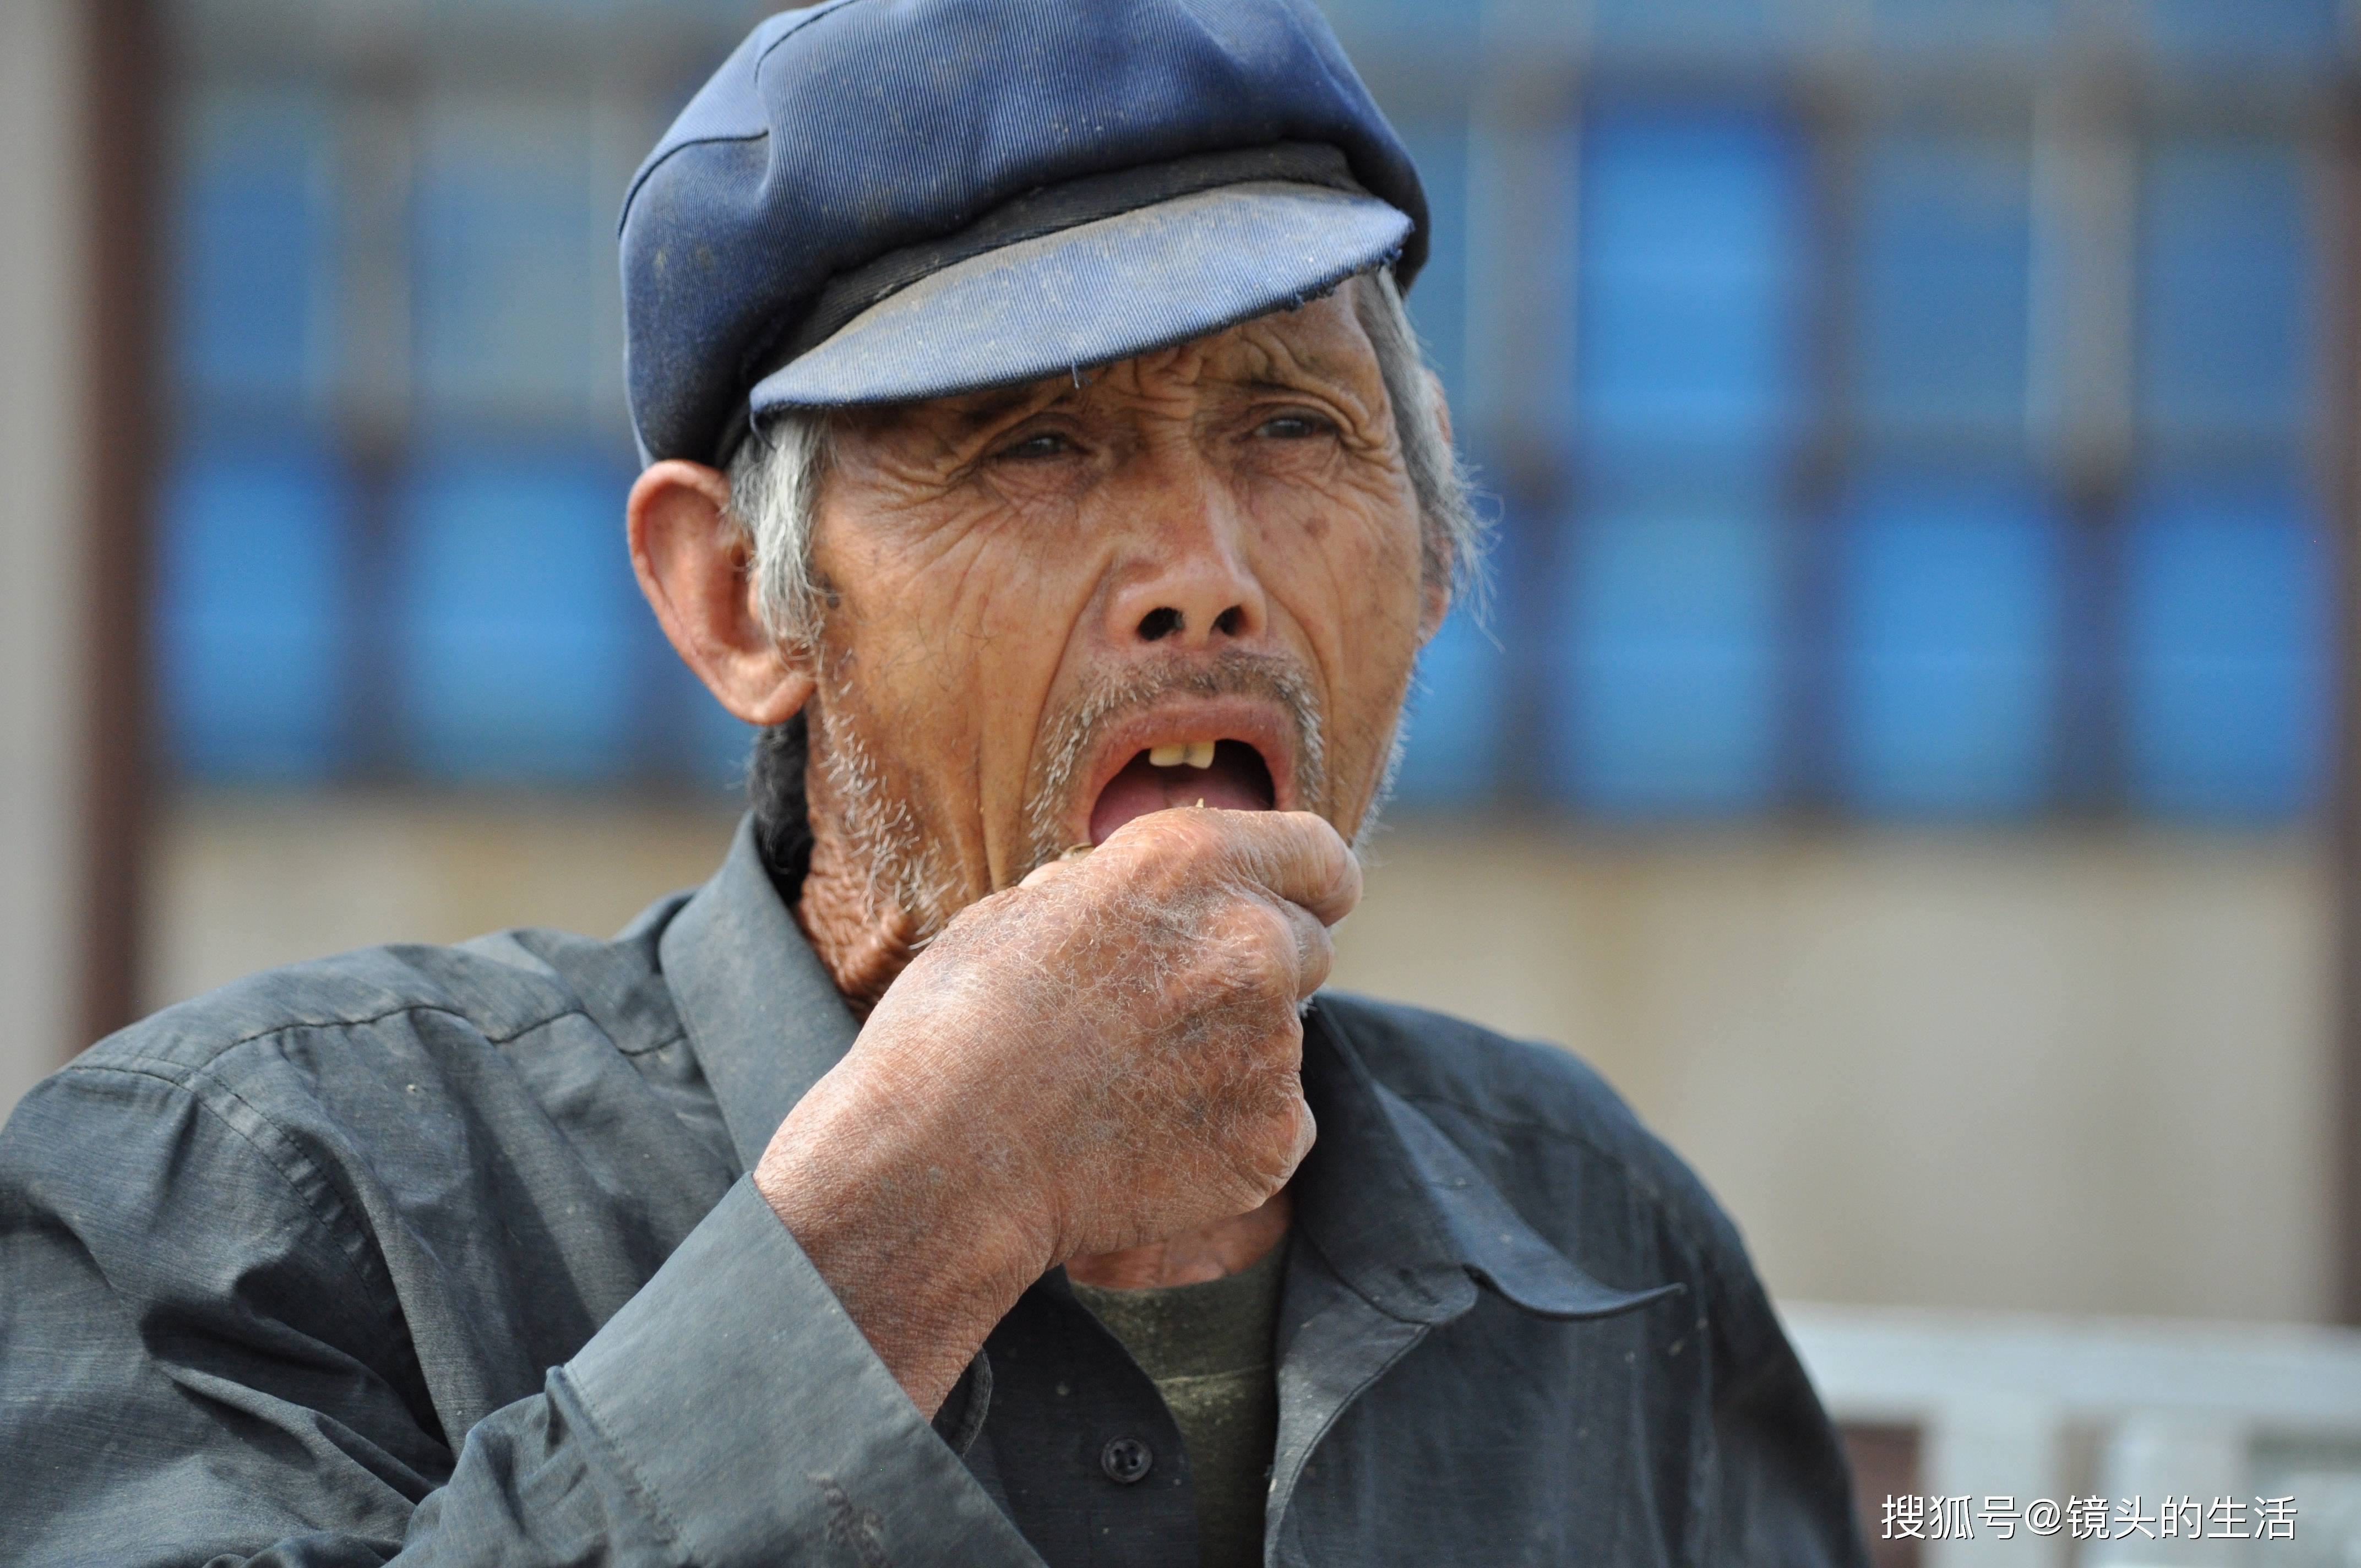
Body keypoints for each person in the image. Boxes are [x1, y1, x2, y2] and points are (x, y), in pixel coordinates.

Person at [0, 1, 1868, 1563]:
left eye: (1295, 424)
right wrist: (907, 1227)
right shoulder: (263, 1193)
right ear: (740, 600)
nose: (1204, 565)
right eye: (1038, 441)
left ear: (1439, 563)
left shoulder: (1601, 1233)